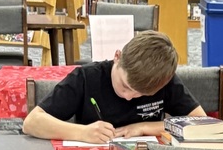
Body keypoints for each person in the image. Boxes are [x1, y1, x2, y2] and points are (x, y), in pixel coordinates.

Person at [21, 30, 204, 142]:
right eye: (125, 85)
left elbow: (201, 124)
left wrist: (144, 127)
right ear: (117, 56)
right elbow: (31, 123)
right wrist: (83, 132)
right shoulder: (87, 78)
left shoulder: (163, 79)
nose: (128, 97)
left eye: (141, 94)